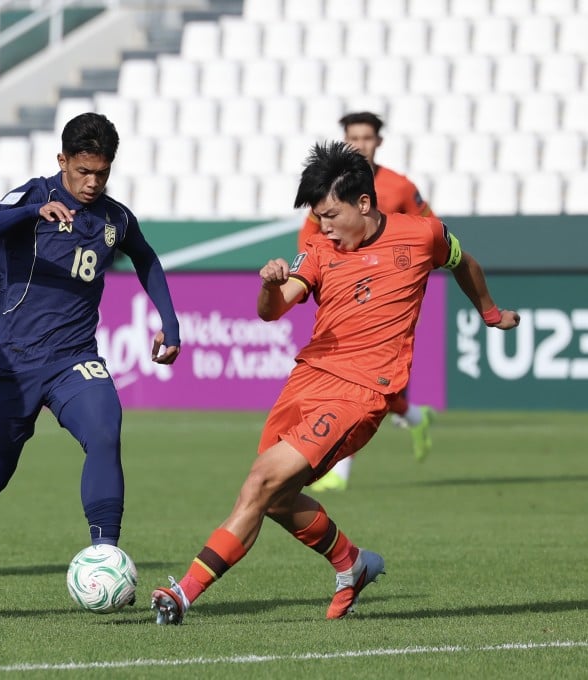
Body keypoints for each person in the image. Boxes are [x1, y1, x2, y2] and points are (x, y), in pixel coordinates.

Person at [150, 141, 519, 626]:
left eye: (329, 214)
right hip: (307, 382)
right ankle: (352, 563)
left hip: (362, 393)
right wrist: (268, 283)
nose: (322, 226)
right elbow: (274, 309)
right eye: (317, 216)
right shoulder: (319, 251)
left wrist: (489, 312)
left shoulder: (422, 234)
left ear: (363, 204)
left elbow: (464, 263)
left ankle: (183, 593)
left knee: (259, 484)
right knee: (277, 500)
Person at [0, 112, 182, 597]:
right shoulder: (34, 195)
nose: (92, 183)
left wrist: (169, 322)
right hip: (11, 362)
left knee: (106, 429)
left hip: (73, 358)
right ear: (62, 160)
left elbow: (146, 257)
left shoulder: (115, 218)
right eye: (83, 171)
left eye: (101, 173)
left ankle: (105, 553)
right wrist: (31, 213)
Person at [301, 112, 437, 491]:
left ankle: (338, 470)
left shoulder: (399, 187)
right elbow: (310, 235)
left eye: (367, 137)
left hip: (391, 296)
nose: (361, 144)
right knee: (366, 382)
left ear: (379, 142)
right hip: (346, 294)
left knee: (368, 381)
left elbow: (431, 232)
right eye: (353, 138)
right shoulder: (330, 189)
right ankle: (413, 416)